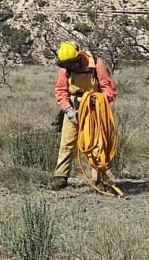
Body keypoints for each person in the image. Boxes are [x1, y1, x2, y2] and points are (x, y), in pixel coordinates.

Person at [47, 42, 117, 191]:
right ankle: (60, 178)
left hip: (94, 111)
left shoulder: (97, 65)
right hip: (73, 110)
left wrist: (97, 100)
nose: (71, 67)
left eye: (72, 64)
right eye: (67, 65)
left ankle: (98, 181)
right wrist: (68, 110)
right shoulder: (65, 69)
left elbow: (109, 90)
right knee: (66, 144)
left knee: (97, 145)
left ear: (79, 57)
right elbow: (61, 91)